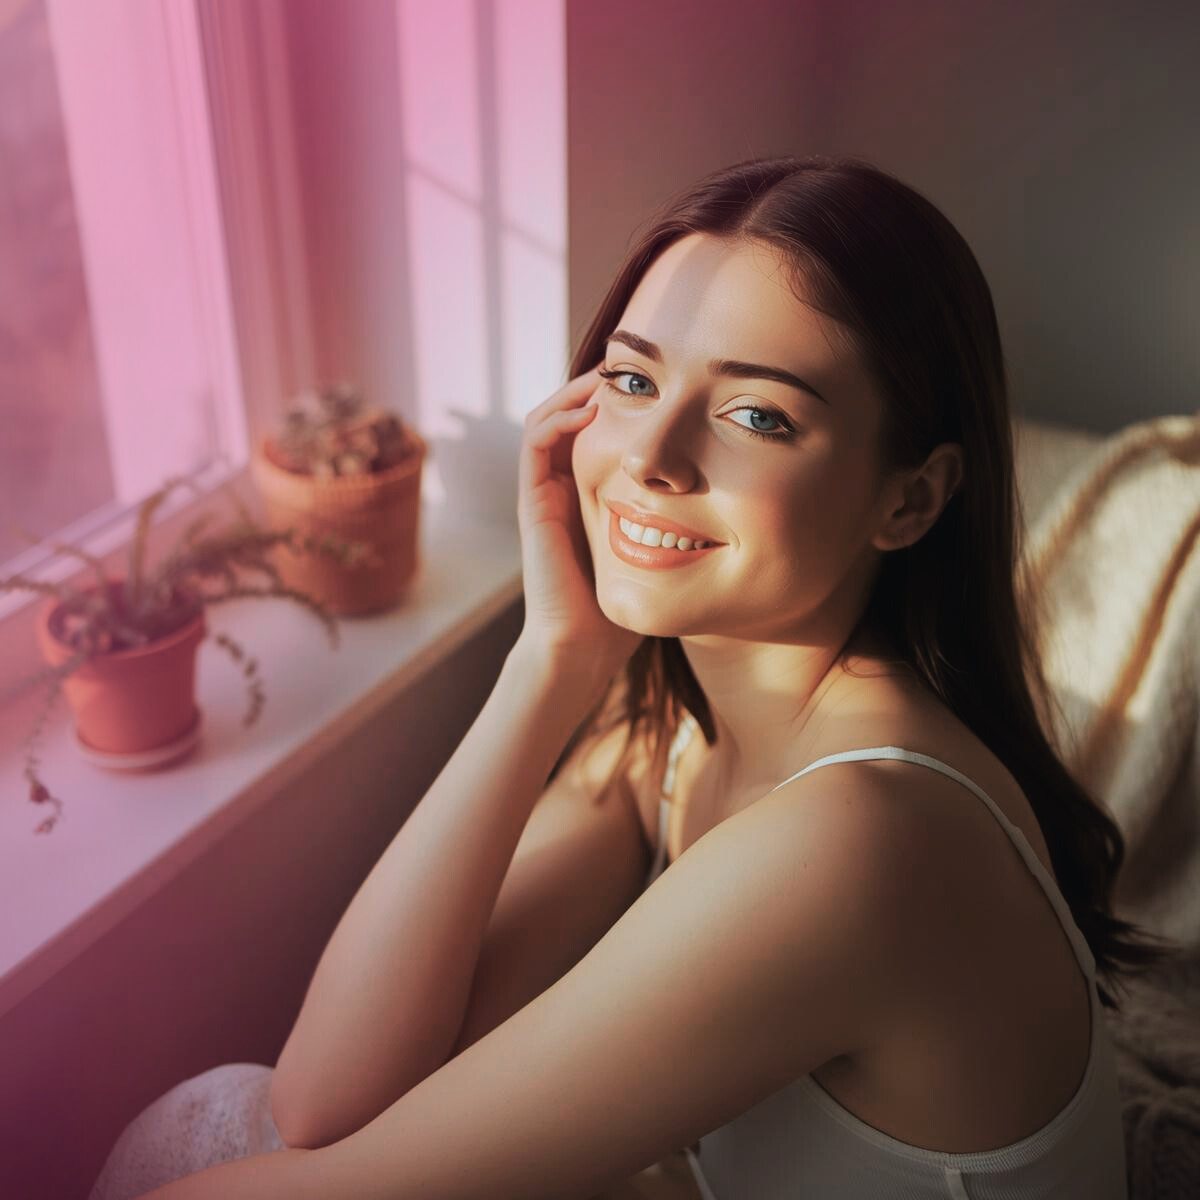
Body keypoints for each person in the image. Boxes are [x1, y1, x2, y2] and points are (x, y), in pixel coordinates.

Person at [94, 155, 1167, 1200]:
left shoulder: (857, 836)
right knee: (209, 1123)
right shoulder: (683, 722)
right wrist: (547, 663)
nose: (652, 453)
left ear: (911, 500)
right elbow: (326, 1102)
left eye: (758, 415)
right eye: (632, 379)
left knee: (185, 1144)